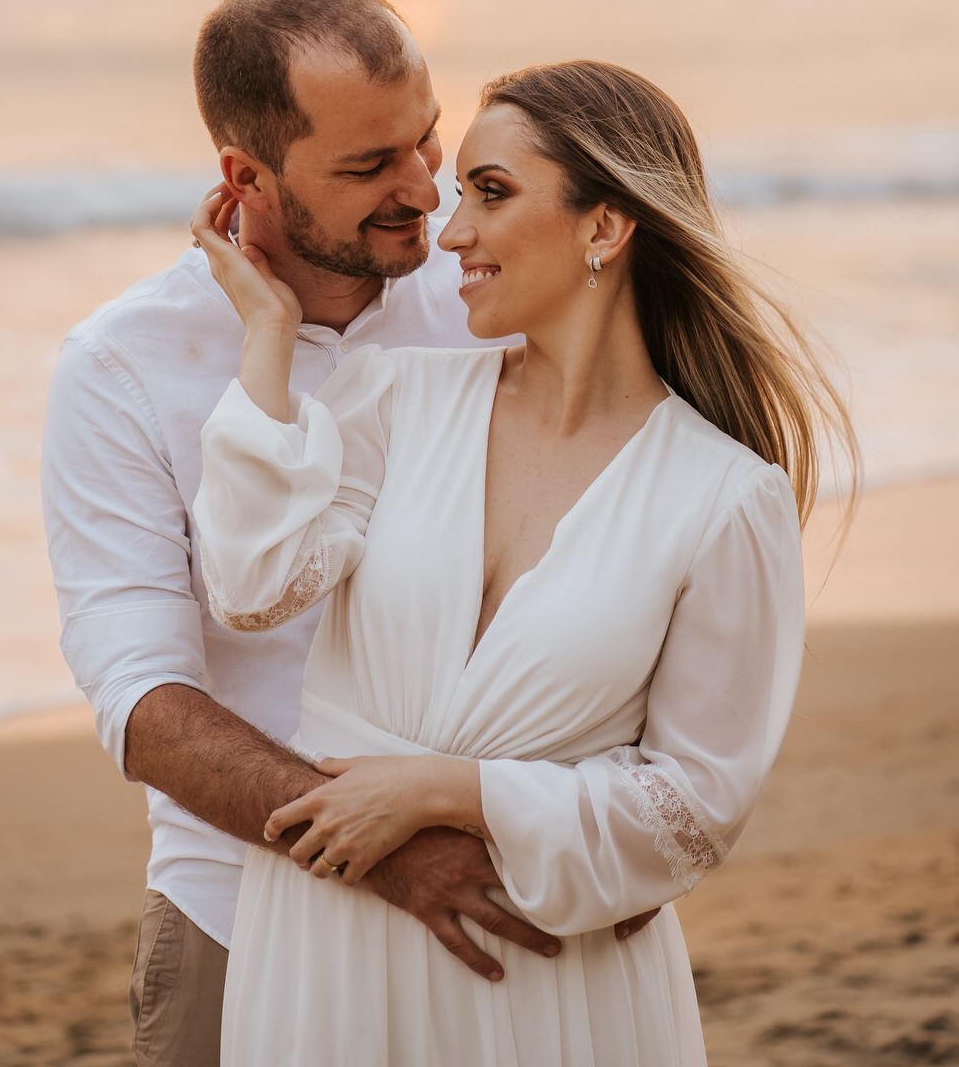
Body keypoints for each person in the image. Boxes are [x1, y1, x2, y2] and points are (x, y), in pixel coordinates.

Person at [191, 58, 860, 1066]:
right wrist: (268, 335)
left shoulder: (724, 498)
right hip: (325, 953)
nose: (451, 232)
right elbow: (251, 588)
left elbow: (691, 812)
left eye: (490, 194)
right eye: (459, 194)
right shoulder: (393, 399)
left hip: (547, 983)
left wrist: (450, 791)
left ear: (604, 225)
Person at [44, 0, 652, 1067]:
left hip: (512, 892)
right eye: (369, 165)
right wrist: (382, 849)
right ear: (247, 177)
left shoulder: (493, 298)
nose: (425, 191)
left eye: (426, 140)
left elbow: (632, 530)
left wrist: (622, 824)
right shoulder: (118, 368)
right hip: (239, 903)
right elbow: (141, 697)